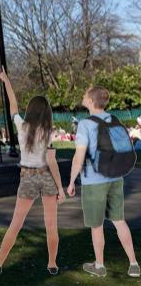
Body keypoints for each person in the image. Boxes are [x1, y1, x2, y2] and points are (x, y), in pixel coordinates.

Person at [0, 72, 65, 275]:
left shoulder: (21, 126)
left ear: (29, 110)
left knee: (16, 223)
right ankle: (52, 264)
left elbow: (13, 107)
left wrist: (7, 82)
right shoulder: (49, 132)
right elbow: (52, 162)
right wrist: (61, 188)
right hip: (46, 177)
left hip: (28, 177)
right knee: (51, 224)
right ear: (46, 113)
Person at [66, 86, 140, 278]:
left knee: (97, 225)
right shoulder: (113, 119)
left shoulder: (85, 124)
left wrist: (72, 181)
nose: (83, 96)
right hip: (115, 177)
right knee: (119, 221)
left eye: (85, 95)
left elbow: (79, 156)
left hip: (93, 181)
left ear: (91, 101)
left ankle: (99, 266)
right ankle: (133, 264)